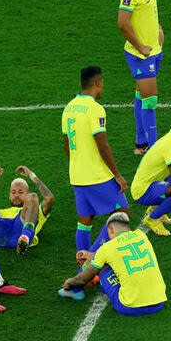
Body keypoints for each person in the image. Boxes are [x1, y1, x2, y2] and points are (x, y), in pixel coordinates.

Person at [62, 66, 129, 256]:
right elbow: (103, 145)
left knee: (85, 221)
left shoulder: (69, 107)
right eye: (102, 84)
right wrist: (117, 175)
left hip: (77, 175)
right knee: (122, 215)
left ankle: (82, 270)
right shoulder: (95, 109)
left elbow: (67, 144)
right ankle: (92, 257)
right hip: (96, 176)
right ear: (97, 82)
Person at [59, 212, 167, 316]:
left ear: (110, 229)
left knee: (102, 267)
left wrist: (70, 282)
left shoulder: (106, 248)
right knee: (114, 261)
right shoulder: (141, 235)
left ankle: (77, 292)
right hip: (159, 302)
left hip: (130, 307)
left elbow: (83, 279)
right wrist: (92, 254)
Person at [118, 0, 164, 154]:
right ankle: (154, 150)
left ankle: (141, 144)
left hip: (153, 51)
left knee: (141, 95)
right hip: (141, 55)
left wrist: (158, 28)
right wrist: (141, 47)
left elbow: (145, 14)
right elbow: (123, 23)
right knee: (150, 99)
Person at [0, 165, 54, 255]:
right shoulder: (1, 212)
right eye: (13, 192)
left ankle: (25, 236)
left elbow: (49, 198)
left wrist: (31, 175)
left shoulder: (34, 211)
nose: (16, 195)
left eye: (21, 192)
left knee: (33, 196)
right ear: (9, 195)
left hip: (20, 228)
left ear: (26, 194)